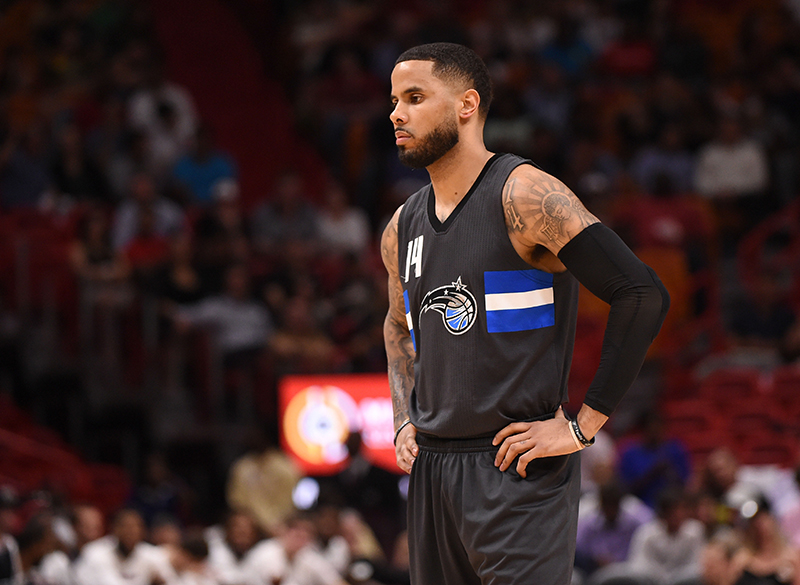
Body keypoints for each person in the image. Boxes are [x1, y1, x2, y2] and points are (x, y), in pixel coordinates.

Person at [381, 42, 669, 585]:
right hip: (432, 471)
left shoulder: (524, 194)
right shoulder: (402, 225)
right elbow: (398, 324)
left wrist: (583, 428)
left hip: (515, 467)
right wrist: (402, 417)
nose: (397, 113)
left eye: (415, 98)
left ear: (467, 105)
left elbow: (641, 292)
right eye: (394, 100)